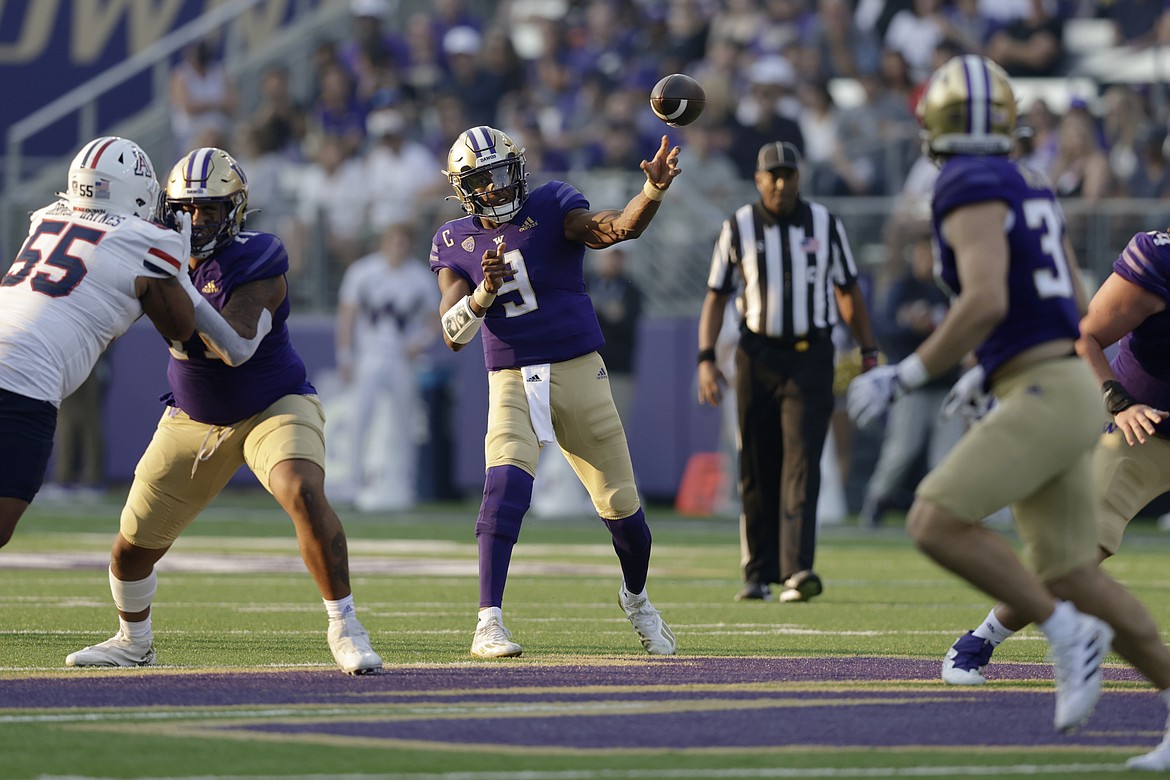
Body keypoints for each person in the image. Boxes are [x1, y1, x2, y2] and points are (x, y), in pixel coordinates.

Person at [845, 55, 1170, 754]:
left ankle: (1063, 631)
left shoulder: (969, 178)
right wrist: (984, 367)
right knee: (1073, 568)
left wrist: (908, 373)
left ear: (938, 120)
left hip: (1046, 390)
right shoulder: (1026, 178)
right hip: (1065, 382)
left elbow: (987, 297)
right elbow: (1055, 304)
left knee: (933, 519)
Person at [65, 147, 382, 676]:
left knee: (301, 487)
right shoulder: (148, 248)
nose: (196, 221)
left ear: (234, 211)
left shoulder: (258, 257)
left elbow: (236, 347)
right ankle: (133, 641)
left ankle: (345, 625)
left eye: (209, 210)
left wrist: (177, 279)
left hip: (271, 405)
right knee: (129, 552)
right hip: (192, 417)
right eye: (186, 209)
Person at [429, 125, 678, 659]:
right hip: (511, 379)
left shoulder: (551, 203)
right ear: (464, 188)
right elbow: (452, 333)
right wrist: (483, 292)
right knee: (503, 490)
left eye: (501, 174)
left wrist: (650, 193)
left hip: (577, 369)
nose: (496, 188)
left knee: (626, 515)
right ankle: (487, 622)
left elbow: (612, 229)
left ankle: (636, 598)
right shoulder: (454, 239)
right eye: (483, 180)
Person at [937, 222, 1170, 768]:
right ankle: (982, 639)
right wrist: (1118, 402)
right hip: (1146, 428)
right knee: (1077, 555)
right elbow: (1084, 335)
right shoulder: (1159, 260)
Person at [697, 141, 880, 604]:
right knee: (756, 465)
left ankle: (797, 569)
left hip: (809, 354)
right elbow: (716, 295)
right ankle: (757, 571)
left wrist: (869, 349)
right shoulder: (738, 226)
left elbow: (848, 290)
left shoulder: (824, 224)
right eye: (771, 175)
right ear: (758, 180)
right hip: (756, 354)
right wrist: (705, 358)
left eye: (787, 174)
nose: (780, 183)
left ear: (799, 177)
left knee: (802, 460)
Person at [0, 136, 196, 549]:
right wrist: (180, 256)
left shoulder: (47, 217)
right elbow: (182, 327)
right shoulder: (144, 237)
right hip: (23, 378)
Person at [858, 227, 961, 528]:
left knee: (946, 457)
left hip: (947, 386)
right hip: (912, 387)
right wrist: (911, 328)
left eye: (932, 253)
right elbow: (886, 332)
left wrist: (931, 327)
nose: (927, 259)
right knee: (901, 451)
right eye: (922, 252)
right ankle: (875, 502)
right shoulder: (901, 289)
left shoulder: (950, 289)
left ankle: (942, 516)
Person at [335, 222, 439, 511]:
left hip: (402, 358)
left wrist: (421, 340)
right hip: (369, 355)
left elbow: (434, 318)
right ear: (384, 242)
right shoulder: (362, 272)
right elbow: (347, 315)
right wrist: (345, 355)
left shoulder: (420, 277)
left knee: (405, 421)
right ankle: (351, 482)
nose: (399, 248)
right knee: (358, 419)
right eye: (394, 242)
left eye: (404, 243)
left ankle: (405, 482)